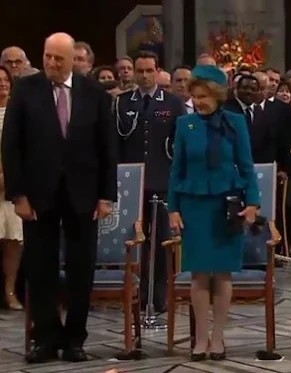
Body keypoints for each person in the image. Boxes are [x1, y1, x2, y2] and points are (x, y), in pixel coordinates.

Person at [1, 32, 117, 363]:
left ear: (73, 60)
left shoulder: (94, 93)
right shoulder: (26, 90)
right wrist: (18, 194)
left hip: (84, 195)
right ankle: (45, 338)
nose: (51, 63)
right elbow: (12, 145)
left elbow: (107, 147)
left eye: (58, 58)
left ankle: (75, 339)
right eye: (47, 56)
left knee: (81, 270)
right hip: (38, 196)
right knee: (40, 268)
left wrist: (107, 195)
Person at [168, 65, 259, 361]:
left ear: (218, 95)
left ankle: (218, 338)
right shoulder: (185, 125)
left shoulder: (235, 123)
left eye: (204, 96)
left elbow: (247, 167)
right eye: (195, 96)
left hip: (226, 206)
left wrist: (253, 203)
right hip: (194, 206)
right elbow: (176, 170)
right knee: (198, 275)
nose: (199, 102)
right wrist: (174, 209)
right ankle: (200, 339)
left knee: (221, 273)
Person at [114, 51, 185, 313]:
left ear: (157, 71)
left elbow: (179, 147)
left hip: (162, 180)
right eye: (139, 71)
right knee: (135, 241)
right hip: (132, 183)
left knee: (161, 241)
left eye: (148, 71)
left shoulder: (172, 103)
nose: (144, 76)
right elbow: (117, 143)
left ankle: (160, 294)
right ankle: (138, 293)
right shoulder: (122, 103)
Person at [0, 65, 24, 311]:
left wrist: (10, 177)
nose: (3, 84)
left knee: (14, 241)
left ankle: (10, 290)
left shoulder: (18, 111)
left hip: (12, 185)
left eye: (5, 79)